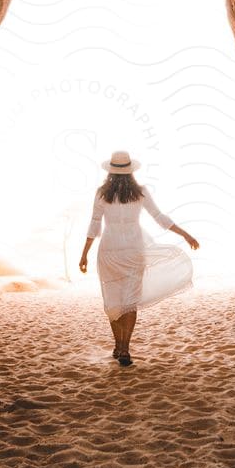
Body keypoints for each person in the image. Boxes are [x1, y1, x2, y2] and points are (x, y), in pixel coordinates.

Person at [78, 149, 199, 364]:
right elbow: (159, 218)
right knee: (130, 302)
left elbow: (95, 224)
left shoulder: (101, 193)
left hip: (110, 251)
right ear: (131, 171)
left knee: (113, 300)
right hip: (134, 251)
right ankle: (124, 348)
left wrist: (84, 254)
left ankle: (118, 345)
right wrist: (186, 234)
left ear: (110, 172)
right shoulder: (140, 192)